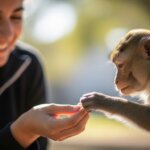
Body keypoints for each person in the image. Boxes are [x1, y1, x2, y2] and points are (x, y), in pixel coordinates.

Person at [0, 0, 89, 149]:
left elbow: (42, 145)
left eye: (16, 17)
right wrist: (23, 132)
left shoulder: (28, 64)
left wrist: (31, 132)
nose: (8, 33)